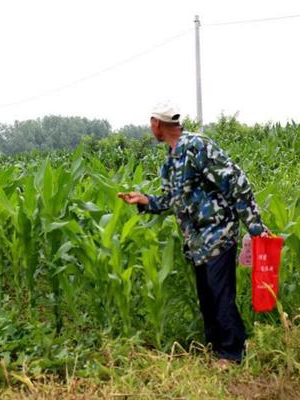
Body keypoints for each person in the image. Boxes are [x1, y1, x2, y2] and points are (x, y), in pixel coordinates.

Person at [118, 101, 268, 365]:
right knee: (207, 296)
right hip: (197, 240)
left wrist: (255, 226)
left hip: (218, 231)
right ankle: (217, 347)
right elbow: (171, 201)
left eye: (150, 123)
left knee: (220, 294)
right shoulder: (172, 159)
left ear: (156, 123)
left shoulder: (197, 146)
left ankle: (233, 353)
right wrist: (144, 200)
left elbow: (235, 181)